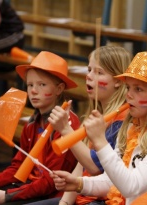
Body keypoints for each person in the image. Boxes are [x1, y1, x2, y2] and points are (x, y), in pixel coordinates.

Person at [50, 51, 147, 205]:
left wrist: (100, 141)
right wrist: (79, 184)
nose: (129, 95)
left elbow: (131, 186)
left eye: (138, 89)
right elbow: (112, 181)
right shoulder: (132, 127)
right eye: (128, 87)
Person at [0, 51, 81, 204]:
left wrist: (7, 195)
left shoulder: (67, 124)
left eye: (42, 85)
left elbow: (50, 182)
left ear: (59, 89)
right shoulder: (32, 122)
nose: (33, 90)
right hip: (27, 186)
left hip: (50, 195)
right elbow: (17, 167)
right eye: (30, 84)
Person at [25, 46, 132, 205]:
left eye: (99, 72)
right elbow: (81, 166)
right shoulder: (96, 113)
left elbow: (95, 167)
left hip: (103, 200)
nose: (89, 76)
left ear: (117, 81)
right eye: (89, 69)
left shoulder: (121, 121)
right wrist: (65, 202)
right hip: (83, 195)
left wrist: (66, 130)